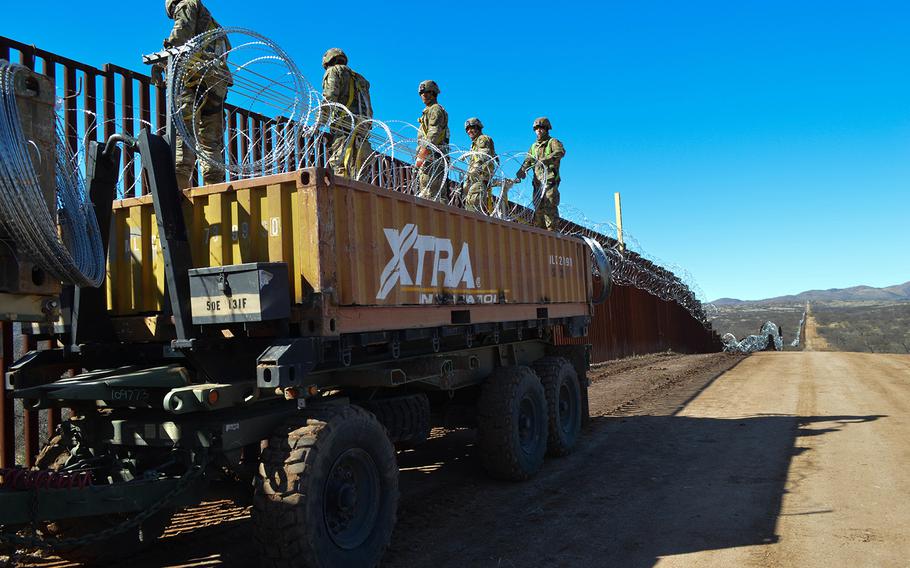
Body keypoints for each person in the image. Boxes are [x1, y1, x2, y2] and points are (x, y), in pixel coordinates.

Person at [162, 0, 231, 189]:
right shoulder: (214, 25)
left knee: (184, 132)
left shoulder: (187, 4)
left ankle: (179, 190)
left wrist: (165, 59)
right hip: (216, 84)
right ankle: (214, 190)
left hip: (193, 79)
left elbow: (181, 34)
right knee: (211, 141)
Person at [317, 48, 374, 179]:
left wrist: (319, 122)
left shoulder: (334, 71)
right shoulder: (361, 79)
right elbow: (368, 107)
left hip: (344, 127)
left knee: (340, 167)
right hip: (362, 128)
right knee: (359, 172)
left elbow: (330, 98)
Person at [516, 117, 565, 229]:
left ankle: (552, 232)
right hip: (537, 183)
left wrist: (545, 159)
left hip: (550, 181)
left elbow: (560, 152)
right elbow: (528, 160)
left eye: (541, 128)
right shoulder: (534, 146)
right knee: (538, 209)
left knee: (549, 207)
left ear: (547, 129)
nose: (539, 130)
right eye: (536, 128)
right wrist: (522, 170)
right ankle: (541, 234)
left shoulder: (552, 142)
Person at [415, 80, 449, 202]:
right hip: (430, 157)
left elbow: (434, 132)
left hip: (433, 156)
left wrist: (423, 152)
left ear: (434, 93)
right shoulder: (428, 111)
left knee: (433, 195)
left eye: (426, 92)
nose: (423, 95)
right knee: (427, 191)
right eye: (421, 93)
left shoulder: (435, 109)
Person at [462, 117, 496, 213]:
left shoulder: (482, 139)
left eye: (471, 128)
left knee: (473, 207)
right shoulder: (474, 144)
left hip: (480, 178)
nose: (469, 131)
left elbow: (483, 155)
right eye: (467, 129)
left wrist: (474, 170)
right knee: (470, 205)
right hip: (474, 178)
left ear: (478, 128)